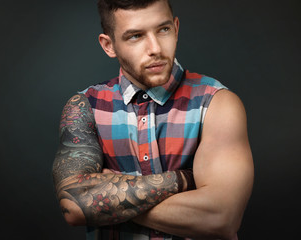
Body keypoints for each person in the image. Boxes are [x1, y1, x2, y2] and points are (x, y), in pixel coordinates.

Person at [52, 0, 254, 239]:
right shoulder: (85, 107)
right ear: (109, 45)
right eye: (135, 36)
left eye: (163, 29)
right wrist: (181, 180)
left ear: (176, 28)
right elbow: (74, 206)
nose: (155, 48)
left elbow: (220, 217)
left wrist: (108, 199)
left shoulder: (217, 104)